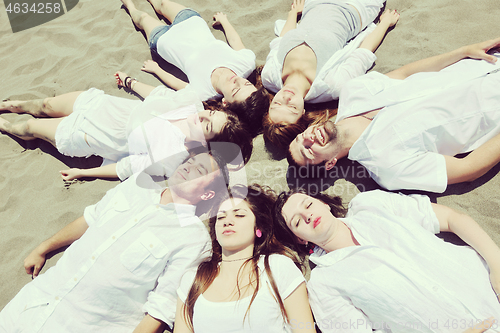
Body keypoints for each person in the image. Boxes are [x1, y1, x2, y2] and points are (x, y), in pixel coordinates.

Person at [0, 149, 229, 332]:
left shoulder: (193, 239)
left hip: (83, 325)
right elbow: (89, 219)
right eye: (190, 161)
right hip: (35, 301)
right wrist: (43, 248)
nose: (188, 166)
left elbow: (160, 311)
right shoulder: (136, 185)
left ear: (207, 194)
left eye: (199, 170)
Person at [288, 37, 500, 193]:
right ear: (329, 164)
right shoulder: (387, 166)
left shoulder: (353, 92)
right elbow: (468, 168)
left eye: (300, 138)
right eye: (308, 150)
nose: (308, 138)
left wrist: (463, 51)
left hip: (485, 61)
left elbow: (405, 74)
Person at [274, 188, 500, 332]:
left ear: (322, 202)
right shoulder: (324, 286)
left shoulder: (371, 205)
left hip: (490, 288)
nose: (308, 215)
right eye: (297, 221)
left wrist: (496, 263)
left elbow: (451, 218)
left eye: (308, 204)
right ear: (300, 239)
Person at [0, 72, 252, 181]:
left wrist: (83, 172)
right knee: (43, 105)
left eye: (207, 126)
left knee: (32, 128)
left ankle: (7, 127)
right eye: (210, 113)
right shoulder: (190, 102)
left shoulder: (171, 157)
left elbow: (126, 167)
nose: (202, 116)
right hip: (100, 105)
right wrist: (130, 82)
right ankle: (14, 105)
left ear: (206, 146)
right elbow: (156, 94)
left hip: (86, 136)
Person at [173, 184, 316, 332]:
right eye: (221, 217)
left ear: (258, 228)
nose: (227, 221)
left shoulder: (277, 267)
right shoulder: (193, 279)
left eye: (239, 215)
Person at [261, 0, 399, 148]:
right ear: (303, 113)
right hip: (354, 8)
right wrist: (385, 23)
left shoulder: (269, 75)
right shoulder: (331, 85)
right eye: (292, 107)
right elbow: (363, 53)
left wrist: (293, 14)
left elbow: (280, 41)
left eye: (277, 103)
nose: (286, 97)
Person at [119, 0, 270, 133]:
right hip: (190, 21)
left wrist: (156, 70)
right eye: (247, 83)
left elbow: (178, 84)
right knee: (162, 3)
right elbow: (234, 40)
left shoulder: (203, 93)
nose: (238, 80)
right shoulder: (246, 63)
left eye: (236, 89)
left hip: (164, 41)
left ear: (225, 102)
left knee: (143, 17)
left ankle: (129, 5)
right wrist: (224, 21)